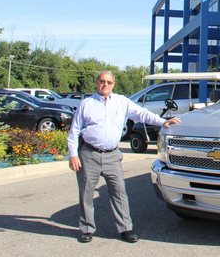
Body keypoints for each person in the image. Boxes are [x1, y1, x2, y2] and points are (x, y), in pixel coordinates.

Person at [67, 70, 181, 244]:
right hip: (89, 154)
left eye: (109, 82)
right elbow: (74, 132)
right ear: (96, 82)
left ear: (113, 84)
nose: (105, 85)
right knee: (86, 193)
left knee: (119, 192)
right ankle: (87, 229)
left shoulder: (122, 102)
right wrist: (73, 155)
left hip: (112, 155)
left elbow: (142, 114)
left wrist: (162, 122)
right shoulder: (86, 104)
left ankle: (125, 229)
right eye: (102, 81)